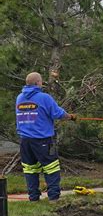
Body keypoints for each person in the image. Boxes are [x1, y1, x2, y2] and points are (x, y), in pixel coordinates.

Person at [15, 72, 76, 201]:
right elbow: (58, 113)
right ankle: (54, 197)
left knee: (30, 169)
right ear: (38, 83)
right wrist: (70, 117)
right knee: (51, 167)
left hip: (25, 141)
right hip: (43, 140)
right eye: (41, 82)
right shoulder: (44, 97)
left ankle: (34, 198)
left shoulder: (19, 98)